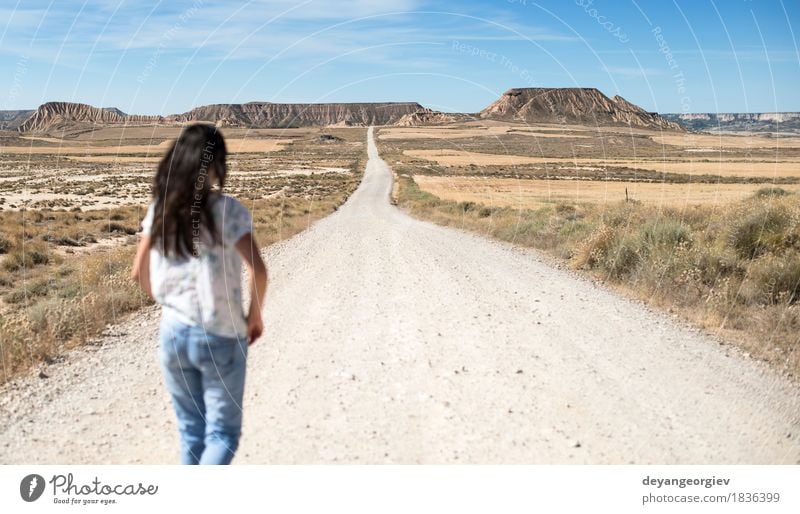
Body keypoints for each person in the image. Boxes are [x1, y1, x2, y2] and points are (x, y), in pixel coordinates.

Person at [131, 123, 268, 465]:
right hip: (221, 332)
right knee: (222, 433)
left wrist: (169, 305)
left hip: (174, 332)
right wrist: (253, 317)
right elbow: (259, 270)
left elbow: (138, 271)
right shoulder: (226, 210)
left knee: (191, 431)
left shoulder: (160, 209)